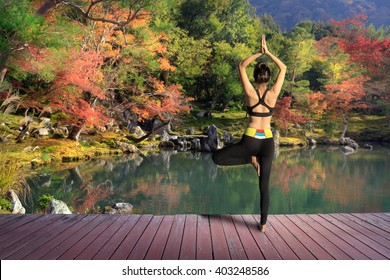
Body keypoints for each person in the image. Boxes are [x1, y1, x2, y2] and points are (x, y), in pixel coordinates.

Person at [212, 35, 286, 232]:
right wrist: (268, 52)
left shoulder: (251, 94)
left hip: (250, 141)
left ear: (255, 77)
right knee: (264, 185)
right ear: (269, 78)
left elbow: (241, 66)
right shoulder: (273, 94)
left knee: (217, 158)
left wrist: (258, 52)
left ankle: (250, 160)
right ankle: (263, 224)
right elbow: (284, 68)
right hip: (268, 142)